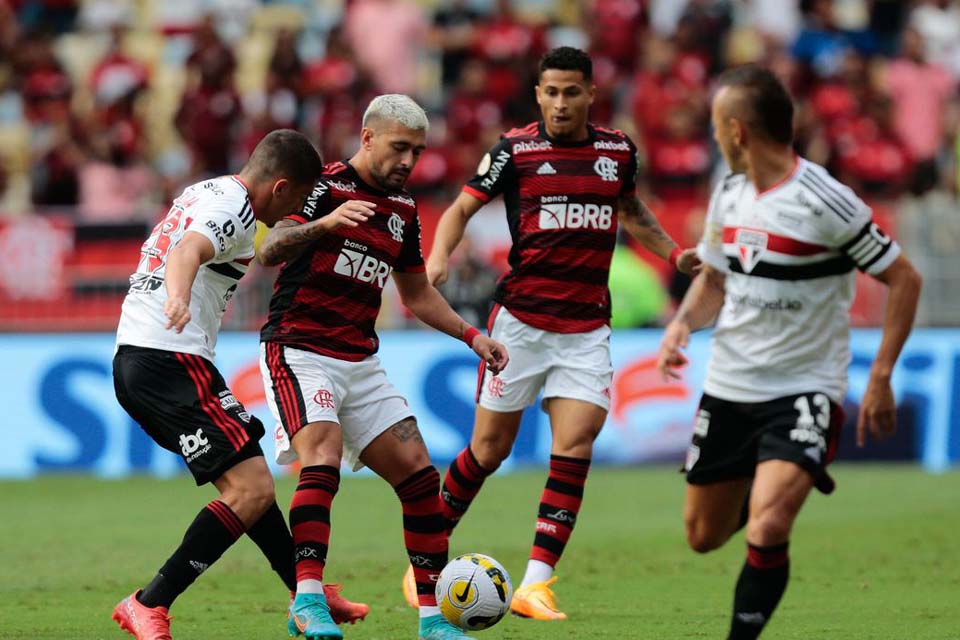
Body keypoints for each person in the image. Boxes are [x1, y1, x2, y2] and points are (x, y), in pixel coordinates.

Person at [415, 46, 699, 621]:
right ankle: (425, 557)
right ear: (538, 95)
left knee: (575, 446)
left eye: (572, 92)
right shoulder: (514, 151)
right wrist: (439, 257)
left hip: (586, 328)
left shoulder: (617, 151)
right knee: (489, 450)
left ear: (590, 93)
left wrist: (675, 254)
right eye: (552, 92)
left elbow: (632, 211)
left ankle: (535, 584)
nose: (562, 103)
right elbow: (461, 209)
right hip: (520, 323)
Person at [656, 65, 922, 640]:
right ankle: (762, 479)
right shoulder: (729, 193)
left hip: (804, 387)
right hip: (730, 385)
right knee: (703, 536)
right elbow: (715, 279)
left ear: (737, 130)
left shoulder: (826, 201)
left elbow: (904, 278)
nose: (713, 136)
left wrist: (880, 375)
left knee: (769, 524)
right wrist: (681, 326)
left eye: (716, 126)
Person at [256, 94, 509, 640]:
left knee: (420, 475)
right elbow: (269, 248)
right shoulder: (323, 185)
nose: (408, 161)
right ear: (367, 138)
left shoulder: (403, 209)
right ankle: (307, 600)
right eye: (399, 147)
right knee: (321, 456)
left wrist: (473, 336)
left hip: (359, 359)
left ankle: (433, 619)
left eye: (417, 151)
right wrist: (325, 223)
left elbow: (416, 294)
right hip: (299, 348)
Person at [111, 130, 367, 640]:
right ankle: (148, 602)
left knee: (250, 483)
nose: (295, 210)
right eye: (297, 199)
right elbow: (188, 250)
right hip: (167, 357)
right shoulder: (236, 209)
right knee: (250, 488)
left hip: (154, 356)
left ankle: (306, 592)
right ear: (280, 186)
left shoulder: (208, 189)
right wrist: (178, 297)